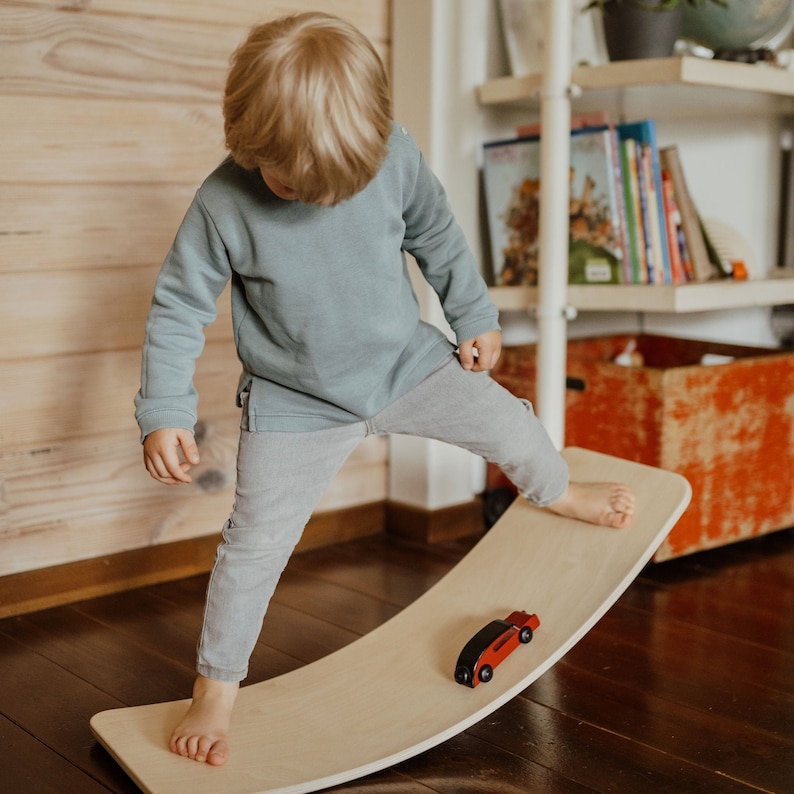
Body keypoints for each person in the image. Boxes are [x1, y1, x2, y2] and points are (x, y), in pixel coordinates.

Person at [135, 11, 635, 767]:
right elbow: (178, 304)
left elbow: (436, 234)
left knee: (512, 428)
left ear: (371, 143)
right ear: (245, 136)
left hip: (409, 365)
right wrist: (165, 410)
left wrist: (473, 314)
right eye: (285, 181)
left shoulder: (396, 155)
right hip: (294, 401)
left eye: (325, 186)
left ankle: (556, 488)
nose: (301, 195)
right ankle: (215, 688)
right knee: (252, 548)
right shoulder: (223, 203)